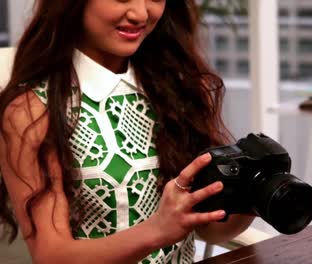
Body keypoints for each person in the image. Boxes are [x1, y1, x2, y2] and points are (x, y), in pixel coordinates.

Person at [0, 0, 255, 263]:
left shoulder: (180, 88)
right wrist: (157, 231)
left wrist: (253, 198)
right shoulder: (31, 112)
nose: (141, 13)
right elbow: (52, 256)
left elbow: (208, 228)